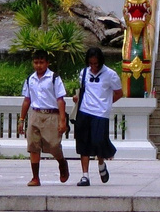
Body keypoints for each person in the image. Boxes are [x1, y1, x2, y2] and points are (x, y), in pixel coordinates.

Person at [73, 46, 123, 186]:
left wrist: (107, 103)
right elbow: (84, 90)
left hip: (100, 113)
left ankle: (101, 163)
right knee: (83, 143)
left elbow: (119, 93)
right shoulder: (84, 73)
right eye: (91, 64)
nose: (94, 67)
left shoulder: (111, 74)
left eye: (96, 64)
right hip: (84, 111)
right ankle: (85, 175)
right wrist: (78, 98)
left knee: (97, 141)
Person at [20, 50, 69, 187]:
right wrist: (21, 119)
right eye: (36, 62)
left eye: (41, 62)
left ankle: (62, 163)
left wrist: (62, 120)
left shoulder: (54, 78)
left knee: (53, 145)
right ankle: (35, 177)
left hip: (51, 114)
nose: (38, 65)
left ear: (47, 63)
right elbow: (26, 100)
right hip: (35, 114)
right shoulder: (30, 79)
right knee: (33, 146)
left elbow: (60, 100)